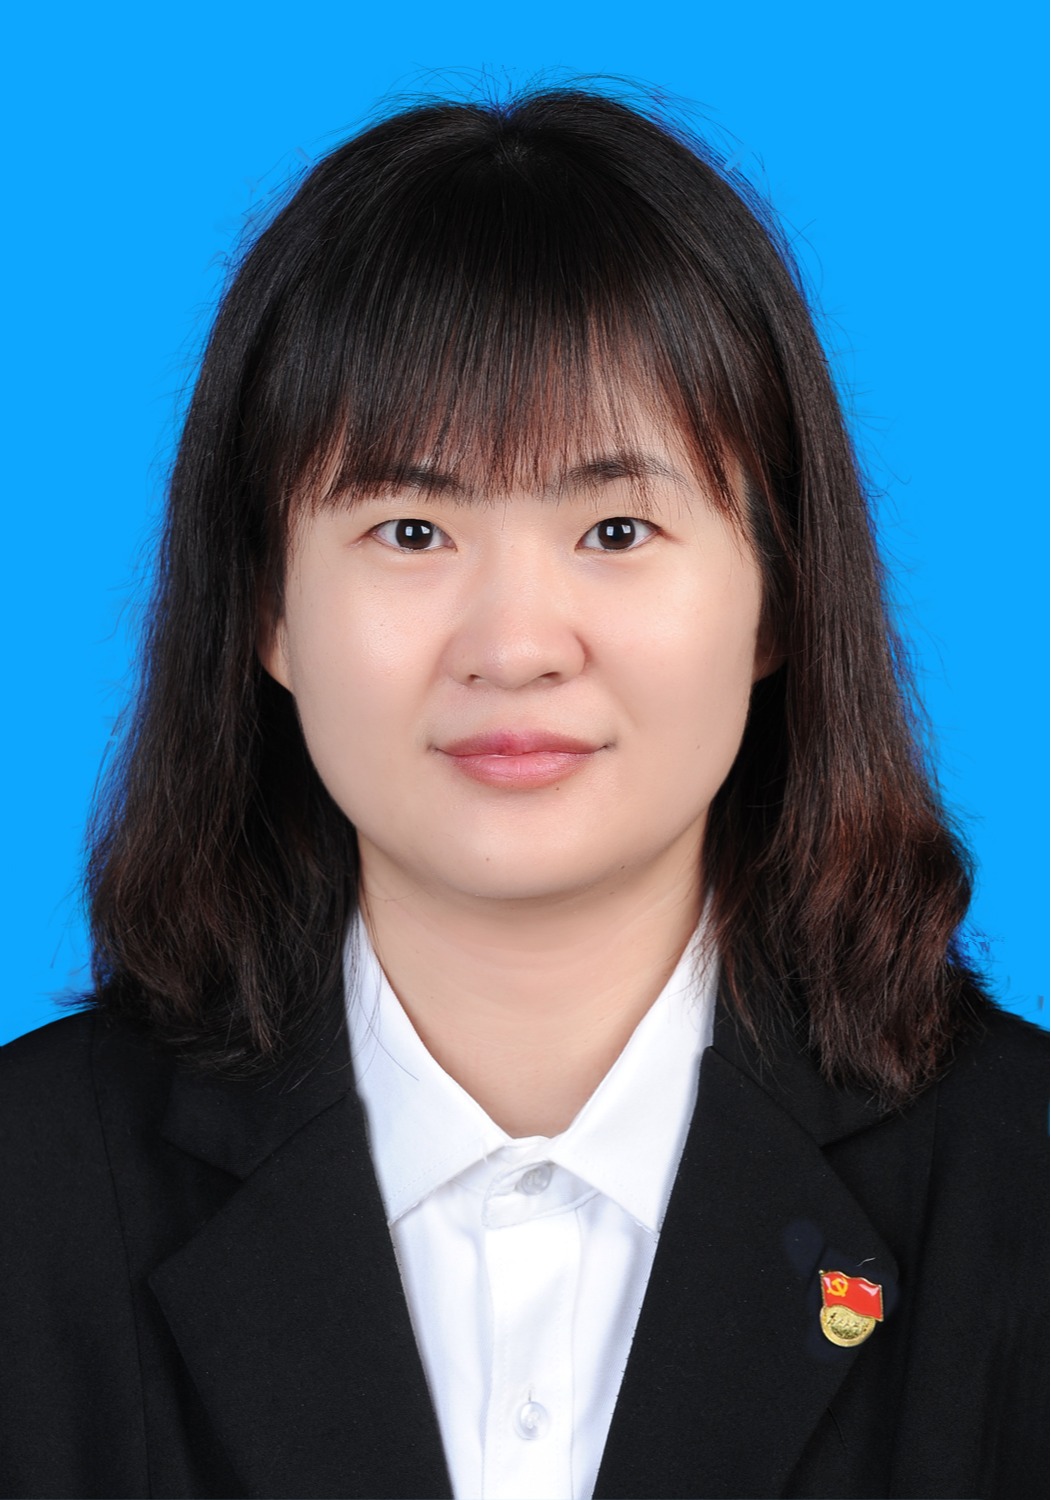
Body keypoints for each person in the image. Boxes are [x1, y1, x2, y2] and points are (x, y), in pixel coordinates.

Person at [0, 83, 1045, 1500]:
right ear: (269, 610)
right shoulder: (34, 1193)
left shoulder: (1020, 1184)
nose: (513, 646)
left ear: (780, 594)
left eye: (615, 528)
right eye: (410, 529)